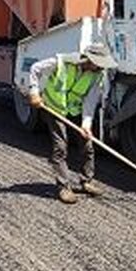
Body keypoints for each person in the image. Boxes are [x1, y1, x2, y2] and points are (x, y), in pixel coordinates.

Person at [27, 45, 113, 204]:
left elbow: (90, 101)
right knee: (60, 147)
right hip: (54, 108)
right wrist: (34, 91)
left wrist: (86, 124)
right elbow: (35, 68)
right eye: (98, 63)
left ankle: (86, 181)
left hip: (74, 110)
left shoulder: (97, 75)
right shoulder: (61, 61)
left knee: (87, 144)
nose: (101, 67)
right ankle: (63, 187)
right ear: (89, 59)